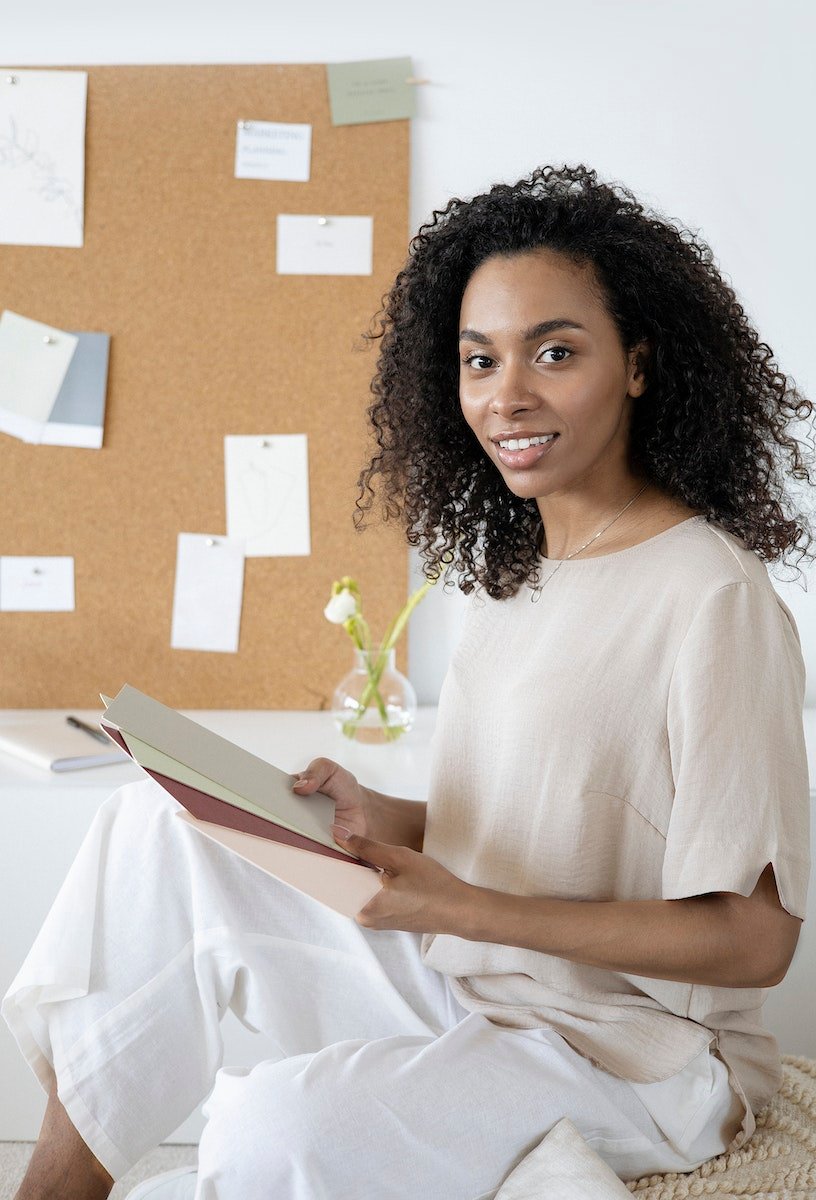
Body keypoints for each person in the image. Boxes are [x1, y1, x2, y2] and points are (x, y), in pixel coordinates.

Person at [4, 163, 814, 1200]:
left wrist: (474, 910)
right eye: (480, 360)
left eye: (554, 353)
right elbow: (557, 817)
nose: (507, 394)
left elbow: (754, 941)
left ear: (641, 364)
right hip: (477, 984)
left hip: (632, 1057)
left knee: (270, 1125)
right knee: (153, 829)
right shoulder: (522, 577)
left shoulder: (713, 597)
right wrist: (376, 815)